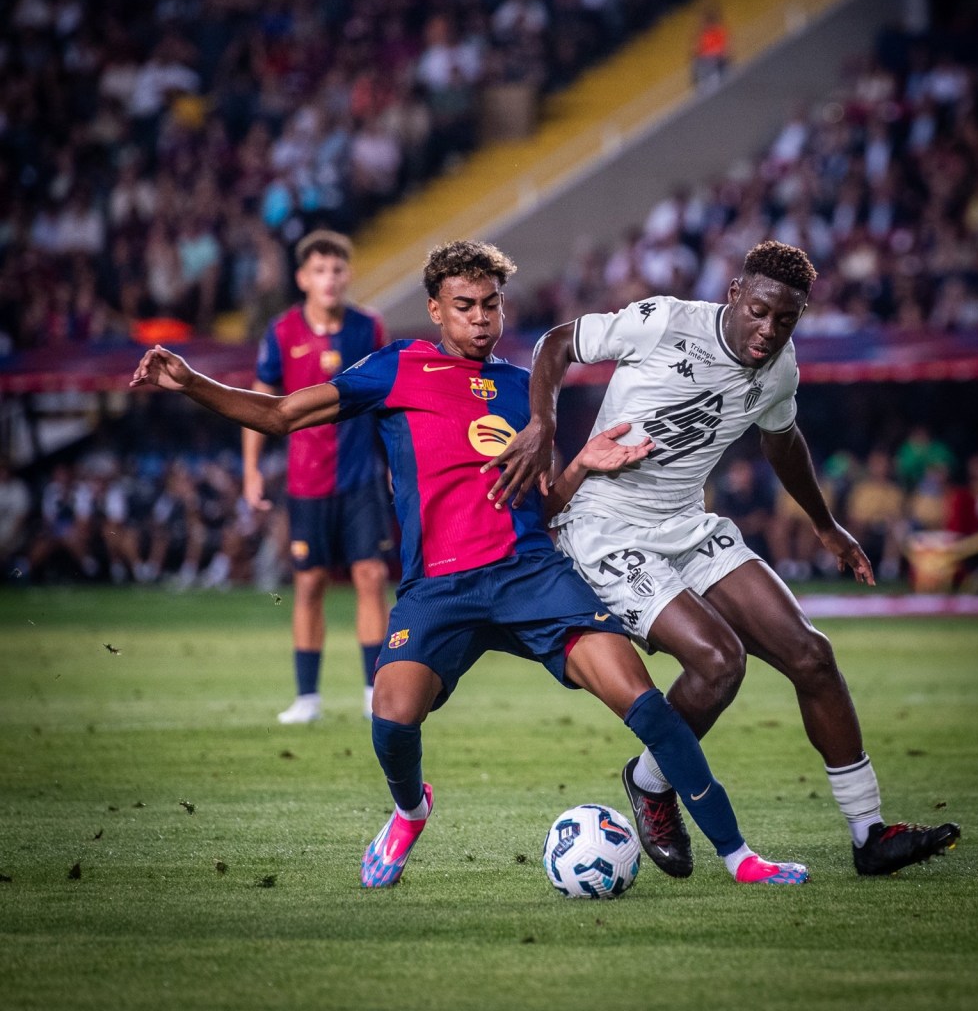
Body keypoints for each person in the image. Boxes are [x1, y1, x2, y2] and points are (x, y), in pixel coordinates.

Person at [131, 239, 807, 889]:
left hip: (530, 576)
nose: (481, 318)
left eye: (491, 304)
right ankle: (409, 812)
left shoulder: (524, 391)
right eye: (465, 305)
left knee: (648, 707)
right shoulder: (397, 369)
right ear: (436, 309)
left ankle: (739, 856)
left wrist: (578, 466)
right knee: (391, 721)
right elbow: (280, 414)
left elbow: (545, 508)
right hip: (441, 587)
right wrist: (190, 382)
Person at [487, 240, 961, 877]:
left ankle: (868, 833)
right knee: (718, 662)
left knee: (813, 656)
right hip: (606, 529)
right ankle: (656, 785)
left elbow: (782, 438)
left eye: (785, 320)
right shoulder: (665, 321)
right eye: (760, 311)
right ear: (735, 294)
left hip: (687, 524)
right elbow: (557, 342)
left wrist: (825, 525)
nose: (768, 331)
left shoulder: (780, 369)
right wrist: (542, 425)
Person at [243, 230, 392, 724]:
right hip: (305, 483)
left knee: (370, 577)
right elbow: (260, 405)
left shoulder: (369, 329)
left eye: (337, 270)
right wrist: (250, 472)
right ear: (303, 278)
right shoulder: (282, 332)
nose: (329, 279)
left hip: (360, 479)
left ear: (347, 275)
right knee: (308, 585)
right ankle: (307, 697)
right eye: (320, 271)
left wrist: (396, 465)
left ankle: (375, 691)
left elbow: (390, 402)